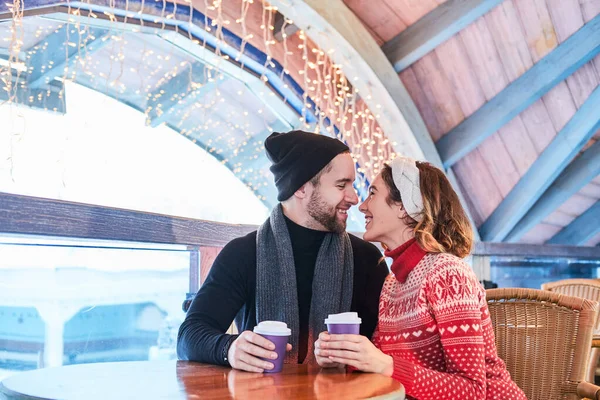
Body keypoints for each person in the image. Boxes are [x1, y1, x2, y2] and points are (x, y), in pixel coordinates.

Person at [314, 157, 526, 400]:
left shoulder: (448, 275)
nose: (362, 206)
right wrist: (340, 358)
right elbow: (377, 363)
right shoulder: (393, 284)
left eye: (372, 193)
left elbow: (472, 391)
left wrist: (388, 366)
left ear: (404, 206)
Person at [177, 130, 389, 373]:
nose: (354, 197)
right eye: (342, 185)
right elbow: (189, 335)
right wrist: (230, 349)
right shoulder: (244, 253)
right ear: (300, 188)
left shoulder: (367, 259)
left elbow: (385, 348)